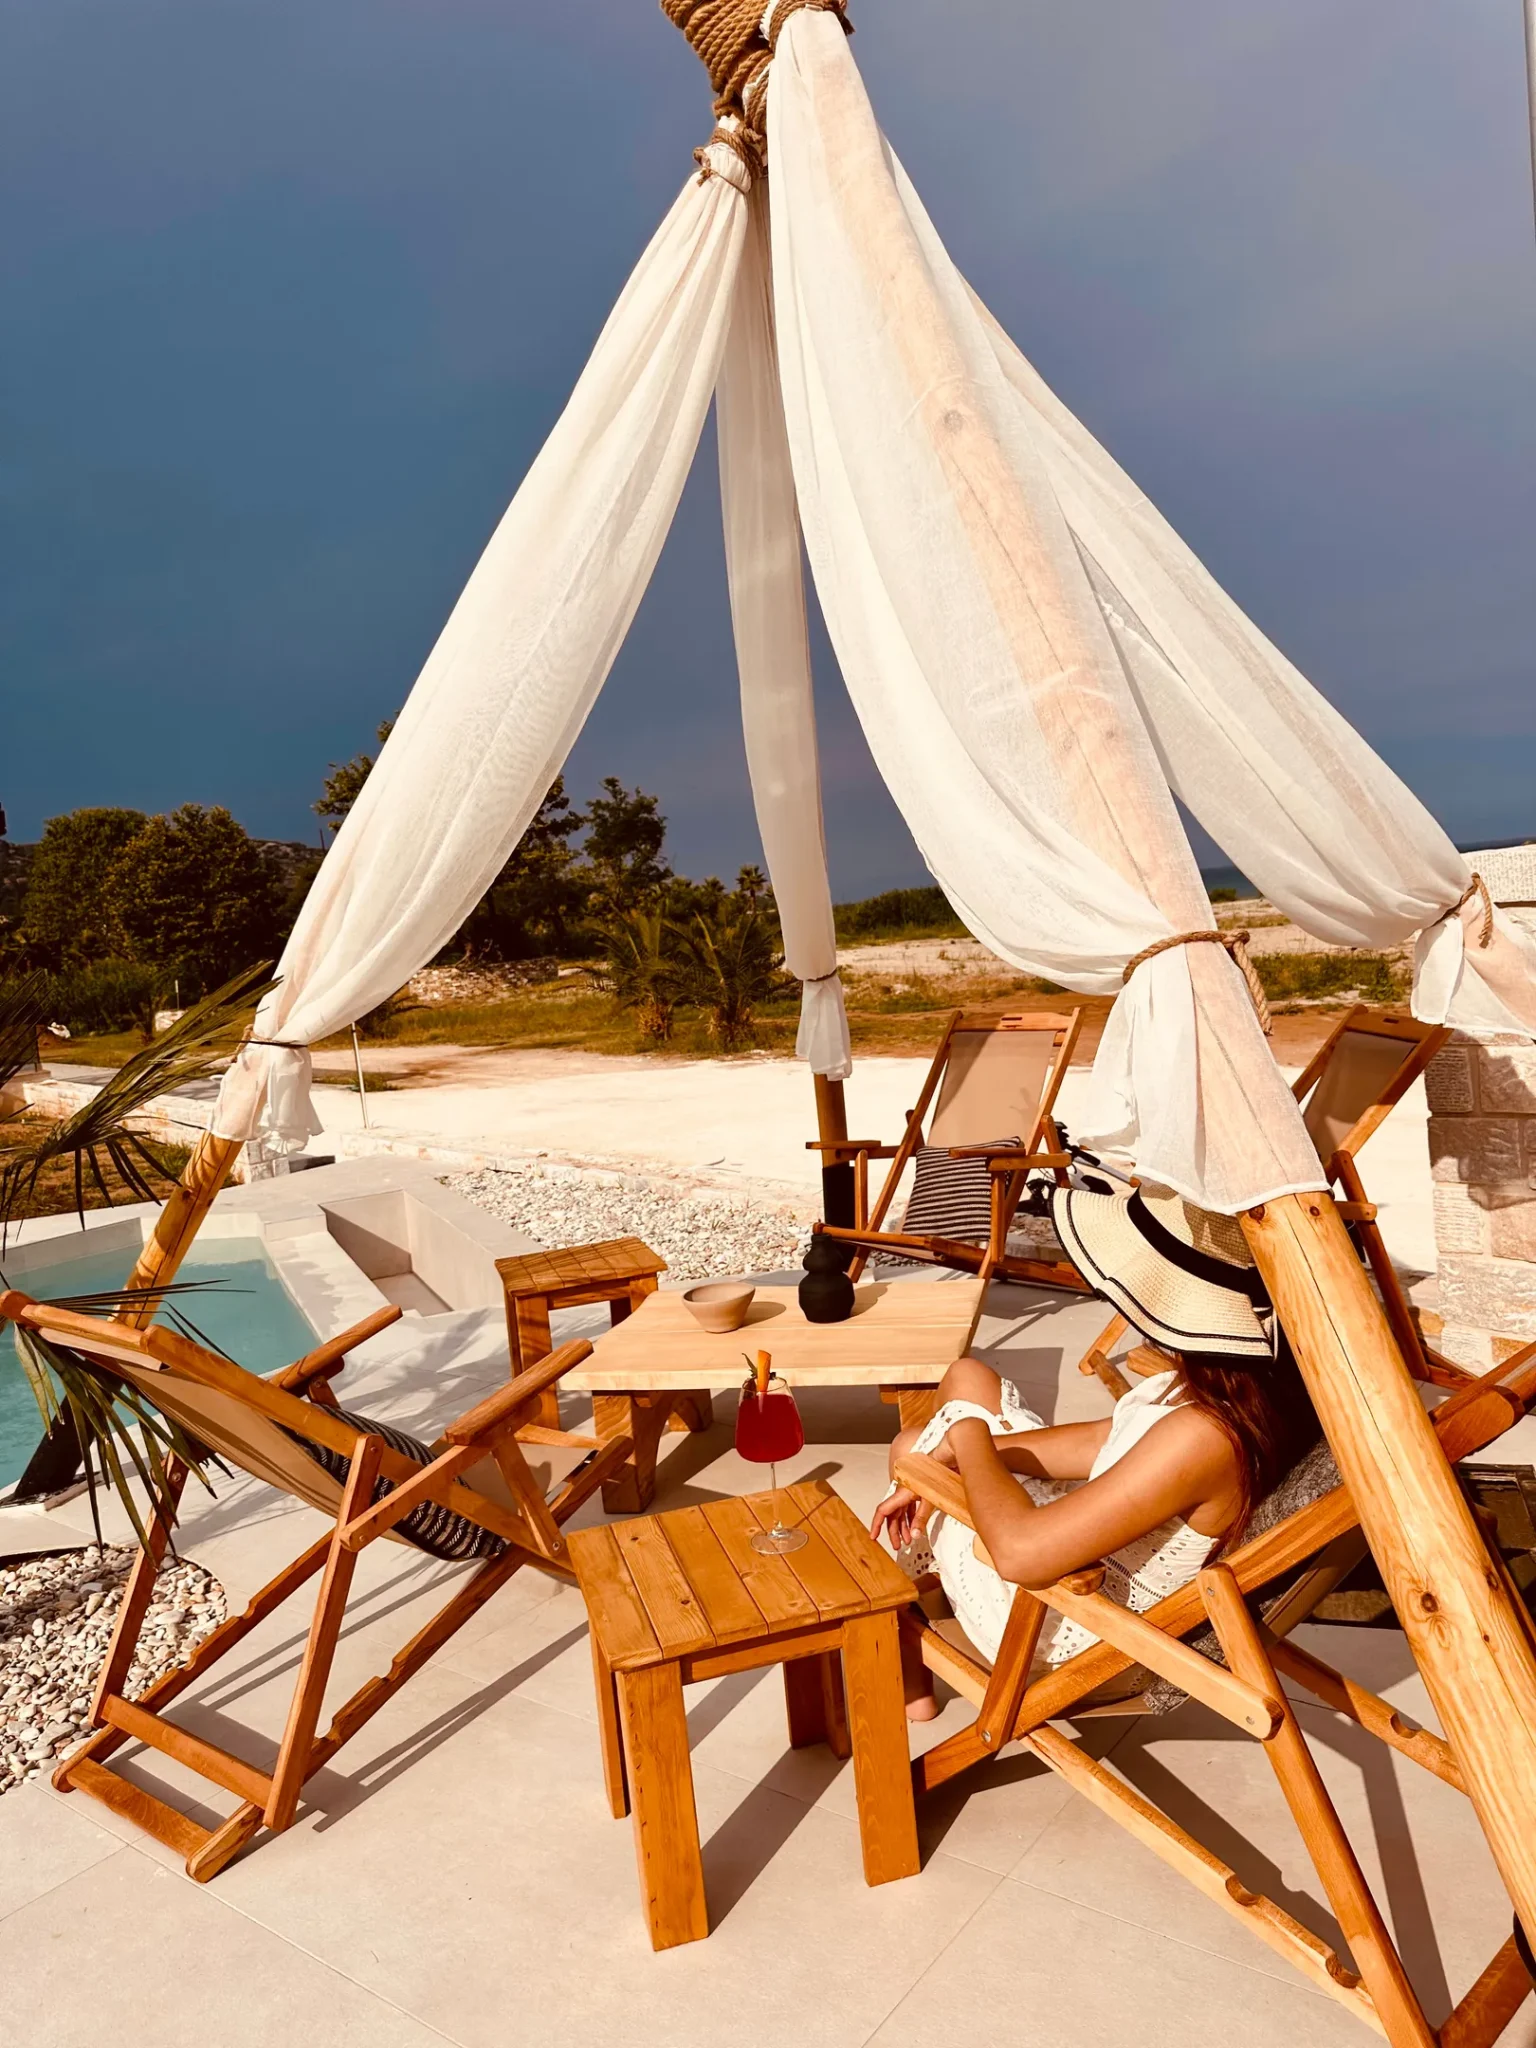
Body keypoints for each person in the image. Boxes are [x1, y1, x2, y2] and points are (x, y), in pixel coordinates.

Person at [871, 1181, 1323, 1720]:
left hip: (1068, 1620)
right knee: (963, 1383)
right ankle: (916, 1612)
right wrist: (956, 1449)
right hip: (1082, 1552)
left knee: (912, 1448)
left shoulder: (1205, 1436)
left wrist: (966, 1437)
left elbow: (1019, 1554)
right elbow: (1101, 1440)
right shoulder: (1223, 1392)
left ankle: (906, 1638)